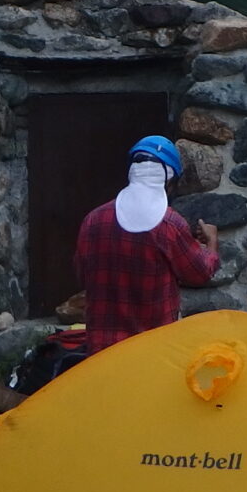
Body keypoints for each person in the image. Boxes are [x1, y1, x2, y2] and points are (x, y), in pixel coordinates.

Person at [72, 134, 221, 357]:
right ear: (169, 182)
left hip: (101, 355)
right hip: (153, 354)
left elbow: (81, 275)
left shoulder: (93, 220)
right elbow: (200, 273)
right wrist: (211, 243)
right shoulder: (170, 224)